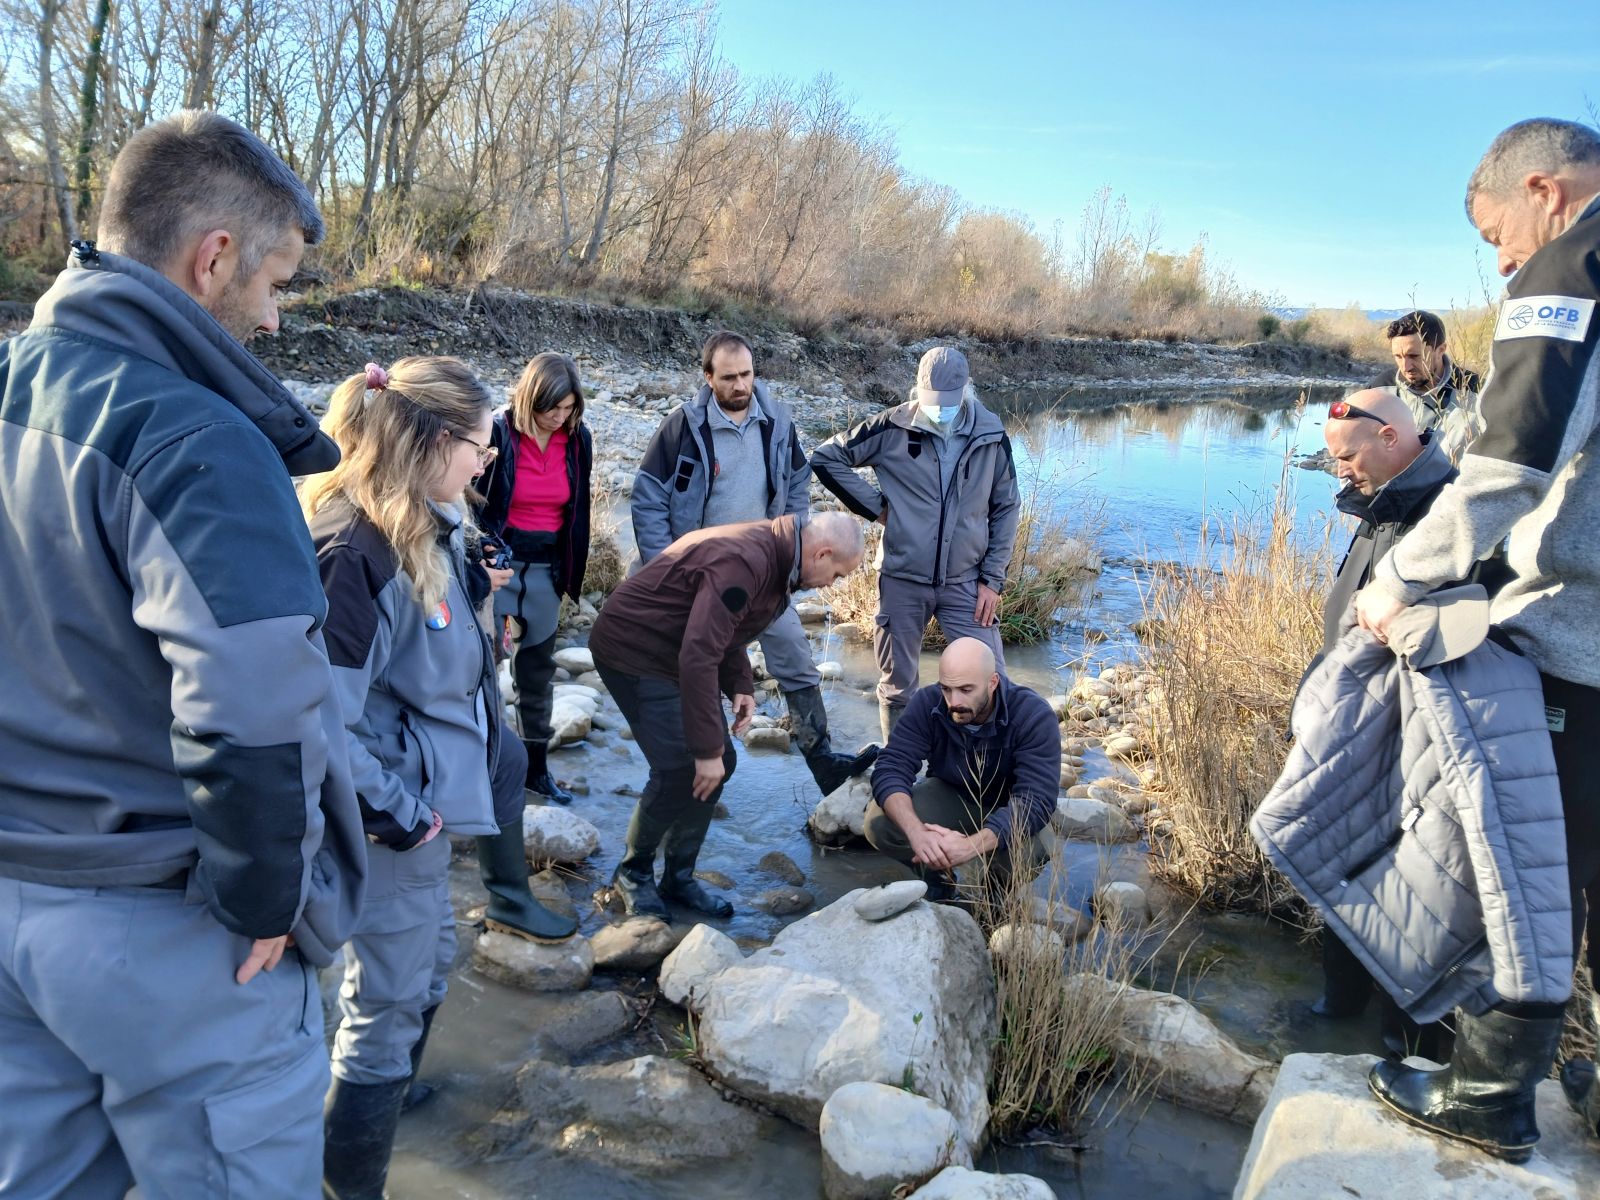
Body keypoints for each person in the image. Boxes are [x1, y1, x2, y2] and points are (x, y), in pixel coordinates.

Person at [0, 111, 365, 1198]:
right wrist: (266, 899)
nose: (275, 316)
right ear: (214, 258)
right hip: (165, 931)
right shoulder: (195, 437)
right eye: (276, 282)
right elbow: (252, 709)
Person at [1356, 116, 1600, 1162]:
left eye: (1496, 234)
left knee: (1533, 859)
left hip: (1581, 643)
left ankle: (1491, 1093)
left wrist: (1399, 578)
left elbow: (1506, 466)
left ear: (1543, 190)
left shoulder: (1573, 268)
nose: (1500, 262)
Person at [305, 356, 568, 1198]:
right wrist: (404, 815)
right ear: (426, 441)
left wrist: (483, 593)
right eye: (480, 447)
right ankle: (351, 1177)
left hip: (420, 812)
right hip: (386, 823)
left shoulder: (426, 523)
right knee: (387, 1005)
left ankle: (385, 1105)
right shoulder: (357, 552)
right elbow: (321, 723)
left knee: (428, 967)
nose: (487, 464)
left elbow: (439, 665)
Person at [633, 330, 877, 795]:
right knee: (698, 660)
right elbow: (647, 500)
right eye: (729, 378)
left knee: (795, 656)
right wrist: (666, 566)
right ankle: (687, 768)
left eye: (746, 374)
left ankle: (821, 759)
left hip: (767, 568)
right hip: (699, 577)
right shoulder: (682, 428)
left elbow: (799, 480)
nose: (740, 385)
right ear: (708, 378)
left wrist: (794, 535)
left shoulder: (777, 423)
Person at [591, 512, 866, 918]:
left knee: (724, 761)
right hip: (633, 649)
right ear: (822, 553)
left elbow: (727, 628)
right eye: (838, 574)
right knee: (680, 768)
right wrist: (705, 751)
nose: (833, 584)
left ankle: (678, 878)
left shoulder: (781, 559)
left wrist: (740, 683)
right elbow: (700, 652)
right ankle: (632, 873)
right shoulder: (747, 560)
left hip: (673, 650)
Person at [1305, 390, 1458, 1060]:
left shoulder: (1452, 512)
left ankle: (1412, 1041)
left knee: (1416, 888)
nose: (1339, 470)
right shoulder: (1379, 505)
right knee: (1343, 865)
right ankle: (1340, 1006)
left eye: (1347, 457)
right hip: (1352, 730)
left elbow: (1466, 633)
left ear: (1391, 437)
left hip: (1414, 742)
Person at [811, 346, 1021, 741]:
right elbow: (825, 458)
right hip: (902, 579)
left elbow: (1006, 507)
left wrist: (992, 580)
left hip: (966, 581)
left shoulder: (991, 434)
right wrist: (878, 509)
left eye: (947, 402)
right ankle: (899, 763)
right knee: (897, 685)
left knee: (990, 678)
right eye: (931, 401)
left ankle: (984, 765)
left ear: (966, 391)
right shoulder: (891, 427)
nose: (939, 409)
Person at [475, 352, 592, 810]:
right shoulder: (497, 432)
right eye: (551, 409)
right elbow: (472, 499)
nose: (559, 419)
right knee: (481, 672)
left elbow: (577, 508)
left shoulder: (577, 439)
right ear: (529, 399)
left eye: (568, 409)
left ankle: (536, 773)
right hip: (496, 569)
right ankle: (485, 771)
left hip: (546, 571)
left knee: (536, 676)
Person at [863, 638, 1060, 902]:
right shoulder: (927, 702)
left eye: (966, 690)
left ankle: (992, 897)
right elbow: (891, 767)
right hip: (952, 793)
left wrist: (969, 847)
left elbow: (1036, 800)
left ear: (993, 682)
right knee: (879, 823)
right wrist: (916, 833)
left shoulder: (1033, 714)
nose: (954, 702)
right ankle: (939, 880)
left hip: (1010, 804)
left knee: (1032, 852)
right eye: (947, 688)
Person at [1367, 310, 1484, 464]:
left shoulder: (1478, 392)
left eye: (1414, 356)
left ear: (1440, 350)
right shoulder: (1378, 389)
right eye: (1398, 356)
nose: (1406, 367)